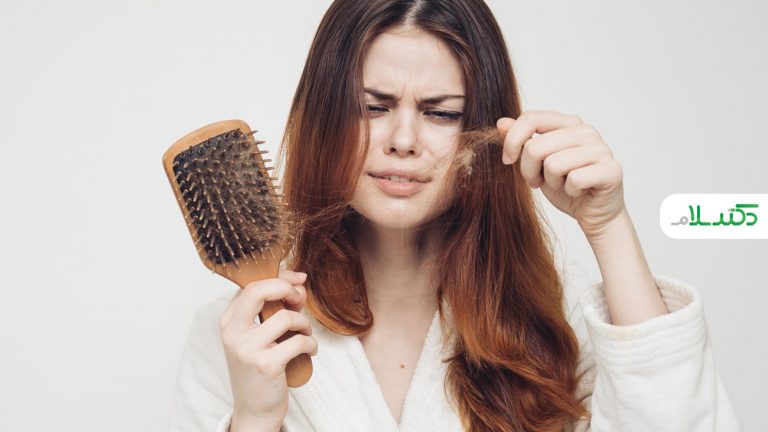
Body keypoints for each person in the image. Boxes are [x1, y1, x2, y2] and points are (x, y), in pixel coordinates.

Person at [168, 1, 742, 431]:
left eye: (441, 114)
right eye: (372, 107)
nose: (403, 140)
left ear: (487, 131)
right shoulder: (237, 339)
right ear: (323, 119)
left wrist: (608, 225)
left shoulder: (558, 325)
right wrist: (255, 418)